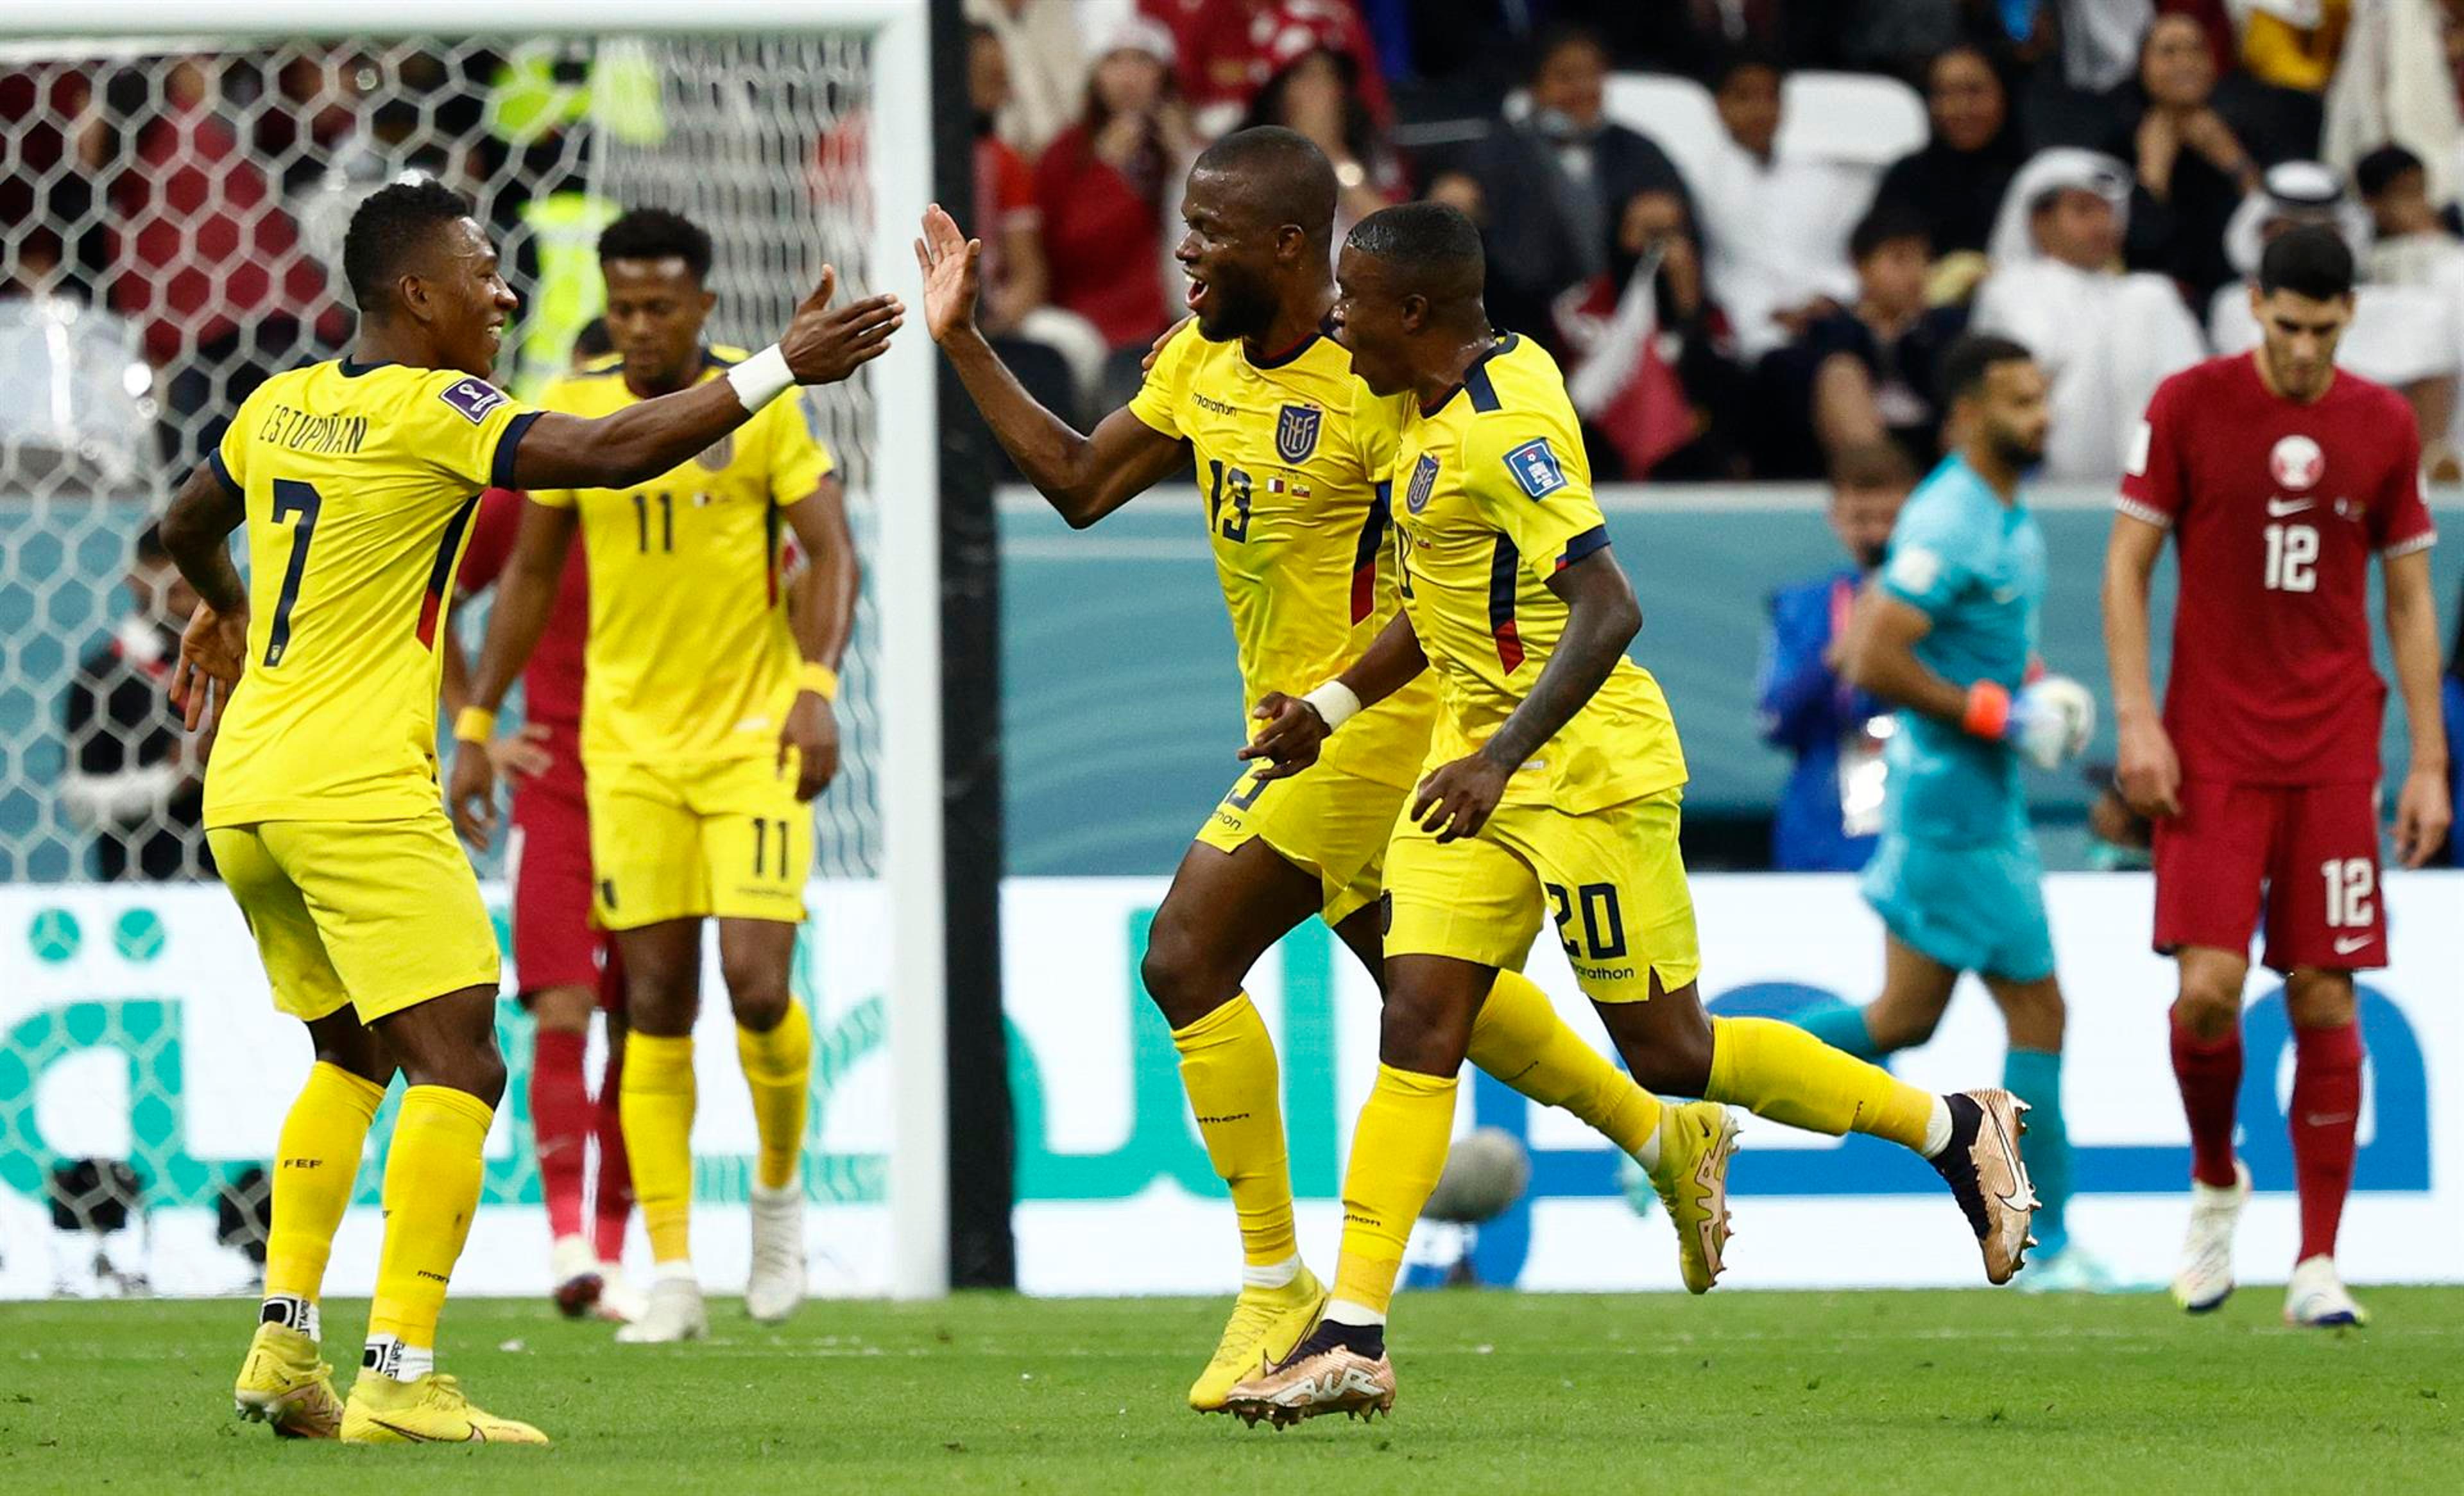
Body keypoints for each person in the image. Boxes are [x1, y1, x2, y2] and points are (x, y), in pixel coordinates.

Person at [918, 129, 1724, 1416]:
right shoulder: (1203, 355)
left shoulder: (1384, 385)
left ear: (1293, 247)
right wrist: (962, 341)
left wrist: (1357, 700)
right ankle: (1660, 1130)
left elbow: (1467, 567)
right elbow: (1075, 482)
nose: (1183, 250)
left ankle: (1277, 1280)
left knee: (1185, 953)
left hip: (1380, 726)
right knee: (1430, 992)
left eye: (1209, 229)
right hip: (1296, 723)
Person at [1221, 203, 2039, 1426]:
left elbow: (1608, 606)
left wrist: (1500, 756)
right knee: (1421, 1012)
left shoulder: (1509, 428)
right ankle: (1353, 1329)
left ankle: (1950, 1124)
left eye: (1351, 297)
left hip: (1584, 770)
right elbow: (1436, 602)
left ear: (1413, 314)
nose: (1335, 315)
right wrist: (1333, 704)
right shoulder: (1418, 407)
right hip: (1474, 766)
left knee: (1671, 1053)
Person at [164, 178, 896, 1443]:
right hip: (353, 788)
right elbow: (606, 453)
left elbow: (182, 522)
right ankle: (398, 1369)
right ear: (415, 296)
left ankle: (286, 1343)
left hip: (248, 791)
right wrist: (784, 363)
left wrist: (223, 602)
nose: (504, 293)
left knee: (351, 1053)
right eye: (483, 272)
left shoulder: (281, 402)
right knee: (464, 1059)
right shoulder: (436, 406)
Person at [449, 208, 867, 1347]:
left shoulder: (762, 405)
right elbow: (527, 575)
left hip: (752, 744)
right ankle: (674, 1268)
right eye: (621, 306)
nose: (637, 328)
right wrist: (479, 719)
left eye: (659, 308)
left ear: (703, 309)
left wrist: (816, 688)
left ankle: (778, 1202)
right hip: (624, 755)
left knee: (760, 985)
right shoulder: (577, 412)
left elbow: (834, 551)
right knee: (658, 1004)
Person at [2105, 224, 2449, 1328]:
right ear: (2255, 304)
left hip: (2337, 749)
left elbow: (2407, 597)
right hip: (2210, 747)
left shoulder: (2382, 422)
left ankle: (2317, 1258)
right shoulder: (2189, 404)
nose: (2302, 348)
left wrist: (2429, 761)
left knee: (2324, 988)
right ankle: (2216, 1180)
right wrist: (2138, 720)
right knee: (2208, 990)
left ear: (2349, 316)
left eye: (2322, 327)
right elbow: (2127, 563)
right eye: (2285, 324)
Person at [1799, 336, 2107, 1291]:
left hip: (1977, 800)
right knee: (2040, 1009)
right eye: (2019, 401)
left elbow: (1983, 647)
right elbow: (1870, 655)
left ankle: (1696, 1089)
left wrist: (2034, 692)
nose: (2041, 416)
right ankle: (2045, 1246)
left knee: (1902, 1017)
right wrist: (1994, 712)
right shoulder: (1951, 518)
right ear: (1968, 414)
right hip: (1955, 811)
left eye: (2041, 396)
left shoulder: (2008, 512)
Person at [439, 316, 638, 1327]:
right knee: (561, 1009)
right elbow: (434, 604)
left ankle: (617, 1250)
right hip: (558, 778)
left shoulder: (706, 490)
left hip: (663, 779)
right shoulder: (530, 495)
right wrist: (481, 730)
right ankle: (570, 1246)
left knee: (645, 1025)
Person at [1425, 25, 1695, 368]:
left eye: (1591, 75)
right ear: (1534, 86)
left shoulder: (1635, 148)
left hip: (1625, 313)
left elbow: (1676, 209)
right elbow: (1452, 199)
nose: (1582, 89)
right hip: (1530, 317)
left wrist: (1660, 216)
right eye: (1566, 77)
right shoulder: (1500, 148)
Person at [1971, 148, 2205, 479]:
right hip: (2046, 478)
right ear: (2039, 221)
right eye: (2083, 211)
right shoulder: (2011, 290)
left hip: (2144, 480)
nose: (2102, 224)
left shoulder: (2142, 294)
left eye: (2107, 211)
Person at [1756, 441, 1913, 873]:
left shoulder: (1946, 606)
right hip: (1822, 832)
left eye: (1891, 519)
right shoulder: (1804, 608)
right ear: (1837, 518)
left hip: (1924, 823)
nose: (1878, 535)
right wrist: (1839, 656)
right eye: (1862, 519)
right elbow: (1773, 722)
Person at [1693, 49, 1868, 362]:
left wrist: (1828, 297)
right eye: (1745, 97)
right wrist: (1772, 311)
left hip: (1830, 316)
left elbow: (1841, 253)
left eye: (1770, 97)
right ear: (1719, 106)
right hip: (1750, 329)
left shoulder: (1821, 177)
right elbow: (1720, 272)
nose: (1760, 110)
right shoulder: (1701, 181)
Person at [61, 522, 210, 881]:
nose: (188, 603)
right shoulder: (104, 676)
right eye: (174, 591)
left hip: (239, 890)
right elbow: (81, 802)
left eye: (197, 589)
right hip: (142, 892)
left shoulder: (240, 668)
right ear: (136, 578)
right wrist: (174, 778)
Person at [1034, 18, 1188, 353]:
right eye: (1114, 61)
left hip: (1175, 319)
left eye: (1142, 60)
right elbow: (1068, 253)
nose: (1128, 77)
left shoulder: (1186, 149)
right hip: (1093, 326)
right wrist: (1106, 175)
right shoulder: (1064, 154)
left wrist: (1187, 166)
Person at [2109, 13, 2267, 311]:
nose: (2186, 62)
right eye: (2168, 52)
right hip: (2155, 300)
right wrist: (2152, 173)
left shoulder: (2247, 128)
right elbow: (2137, 250)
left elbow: (2271, 234)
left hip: (2236, 295)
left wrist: (2233, 159)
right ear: (2142, 65)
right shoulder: (2118, 140)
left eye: (2197, 50)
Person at [1870, 44, 2027, 266]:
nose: (1959, 108)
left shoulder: (2034, 180)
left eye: (1973, 91)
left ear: (2005, 95)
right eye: (1943, 93)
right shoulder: (1908, 179)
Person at [1237, 37, 1405, 242]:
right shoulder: (1242, 165)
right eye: (1307, 76)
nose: (1323, 89)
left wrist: (1334, 156)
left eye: (1330, 75)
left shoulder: (1369, 155)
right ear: (1279, 92)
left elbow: (1400, 245)